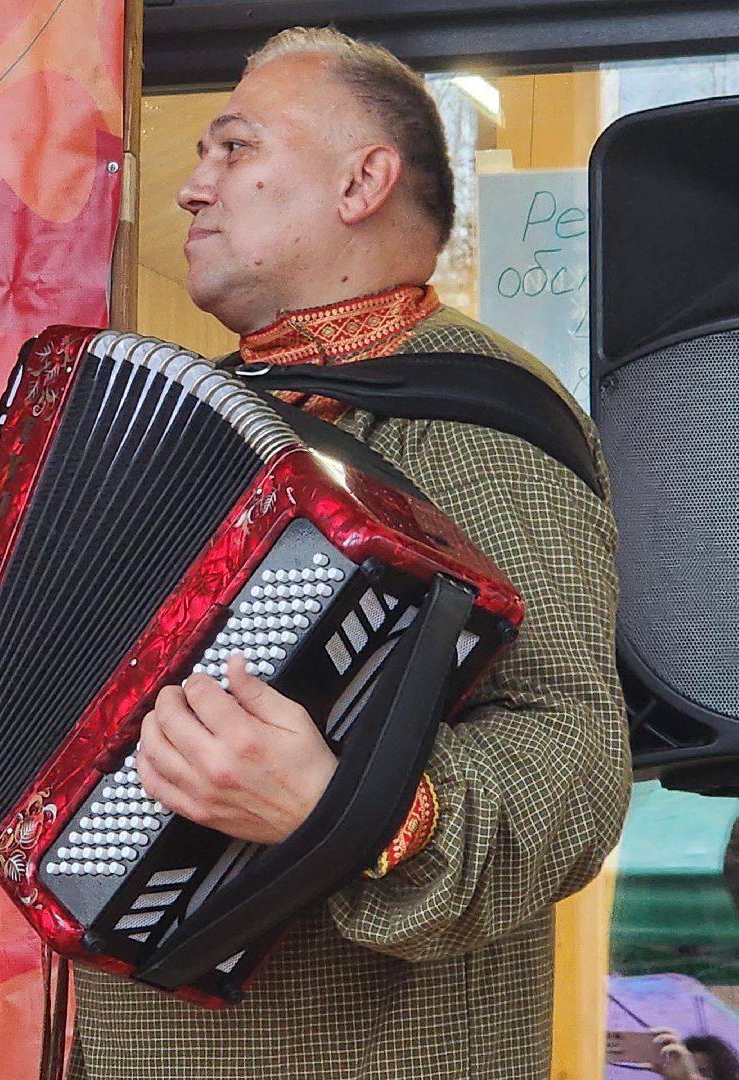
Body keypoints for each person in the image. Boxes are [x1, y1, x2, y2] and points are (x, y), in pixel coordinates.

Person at [65, 26, 631, 1080]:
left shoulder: (471, 415)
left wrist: (342, 808)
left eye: (233, 148)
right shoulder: (212, 415)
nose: (194, 188)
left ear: (364, 179)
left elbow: (576, 760)